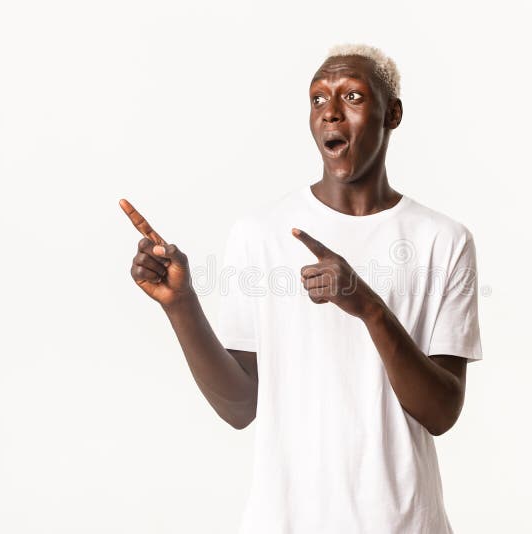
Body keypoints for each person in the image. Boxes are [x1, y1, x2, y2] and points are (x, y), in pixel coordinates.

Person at [120, 43, 483, 534]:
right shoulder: (261, 232)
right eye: (317, 100)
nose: (330, 112)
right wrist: (181, 306)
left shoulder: (443, 240)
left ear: (392, 113)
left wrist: (370, 308)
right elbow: (240, 406)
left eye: (353, 96)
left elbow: (441, 413)